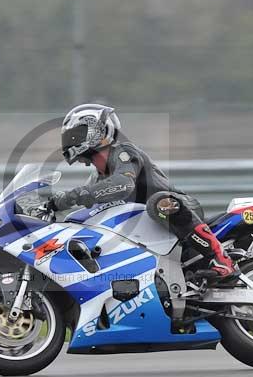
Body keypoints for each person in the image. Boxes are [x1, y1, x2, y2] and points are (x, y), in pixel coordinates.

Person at [44, 103, 239, 284]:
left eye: (78, 133)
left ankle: (221, 259)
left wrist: (68, 198)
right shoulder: (97, 179)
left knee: (159, 202)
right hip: (150, 229)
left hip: (177, 208)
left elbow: (122, 184)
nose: (72, 139)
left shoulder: (124, 152)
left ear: (100, 131)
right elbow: (91, 202)